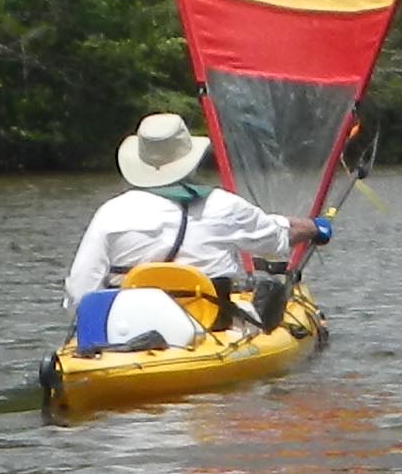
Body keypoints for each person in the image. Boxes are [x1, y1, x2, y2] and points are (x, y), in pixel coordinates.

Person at [59, 111, 303, 352]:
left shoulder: (110, 212)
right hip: (211, 331)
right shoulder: (224, 205)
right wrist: (314, 229)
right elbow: (277, 241)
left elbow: (81, 290)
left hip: (128, 332)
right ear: (191, 160)